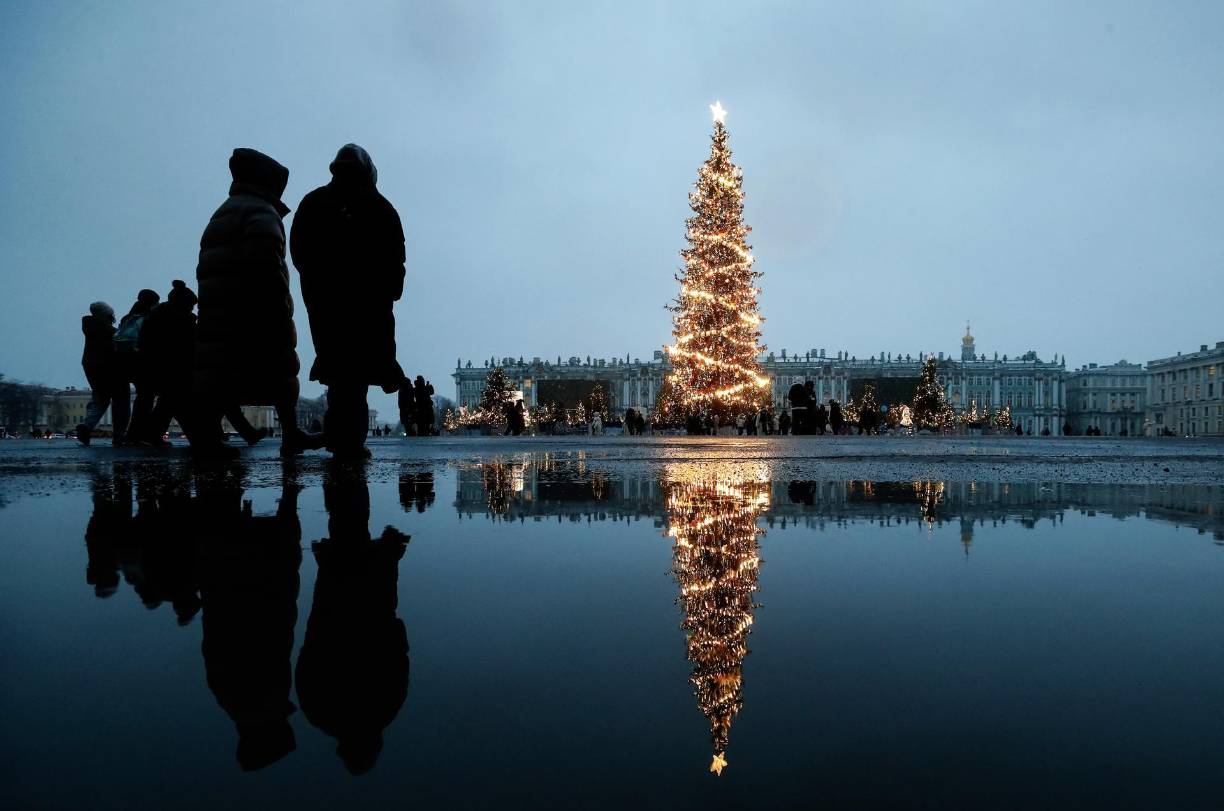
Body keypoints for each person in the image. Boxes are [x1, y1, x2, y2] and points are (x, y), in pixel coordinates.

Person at [193, 148, 322, 460]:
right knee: (281, 371)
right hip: (251, 311)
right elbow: (266, 267)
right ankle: (291, 435)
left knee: (220, 374)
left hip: (219, 311)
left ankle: (208, 436)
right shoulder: (262, 213)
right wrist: (280, 307)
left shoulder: (224, 211)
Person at [291, 144, 406, 460]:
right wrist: (389, 290)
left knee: (339, 369)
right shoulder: (381, 208)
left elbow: (300, 253)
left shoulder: (314, 202)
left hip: (327, 303)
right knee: (356, 371)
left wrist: (318, 285)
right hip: (368, 304)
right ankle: (348, 441)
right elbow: (396, 260)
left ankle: (341, 436)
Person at [76, 301, 128, 447]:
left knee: (100, 398)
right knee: (121, 401)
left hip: (90, 367)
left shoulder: (89, 326)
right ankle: (119, 436)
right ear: (106, 314)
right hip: (111, 369)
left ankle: (87, 426)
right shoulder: (109, 331)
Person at [113, 289, 161, 443]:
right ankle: (136, 433)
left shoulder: (128, 317)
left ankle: (123, 434)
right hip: (141, 361)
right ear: (153, 302)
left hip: (123, 361)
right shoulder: (150, 317)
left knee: (129, 399)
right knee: (146, 397)